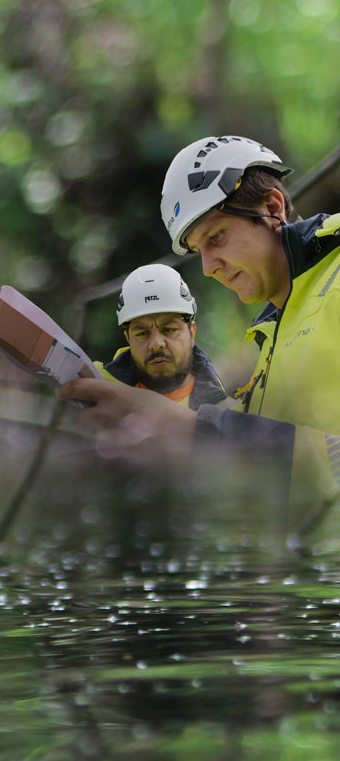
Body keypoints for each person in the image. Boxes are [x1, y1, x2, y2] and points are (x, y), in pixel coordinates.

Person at [61, 135, 340, 518]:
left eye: (216, 237)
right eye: (198, 249)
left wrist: (195, 430)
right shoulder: (274, 334)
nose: (208, 267)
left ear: (272, 207)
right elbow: (279, 459)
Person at [96, 264, 233, 409]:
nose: (156, 343)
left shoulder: (223, 414)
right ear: (128, 339)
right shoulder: (96, 388)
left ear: (191, 333)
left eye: (168, 329)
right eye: (142, 333)